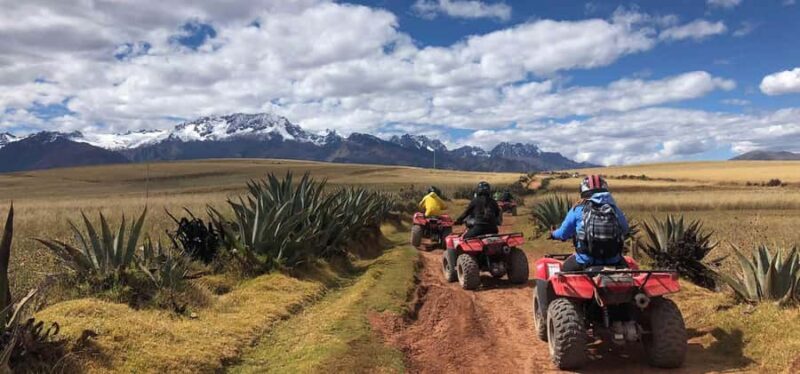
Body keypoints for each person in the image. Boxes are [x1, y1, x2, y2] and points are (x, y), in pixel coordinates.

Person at [550, 175, 629, 272]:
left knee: (562, 275)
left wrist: (553, 234)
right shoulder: (615, 209)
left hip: (584, 261)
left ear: (583, 192)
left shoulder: (578, 210)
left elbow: (563, 233)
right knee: (631, 274)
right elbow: (625, 230)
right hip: (614, 261)